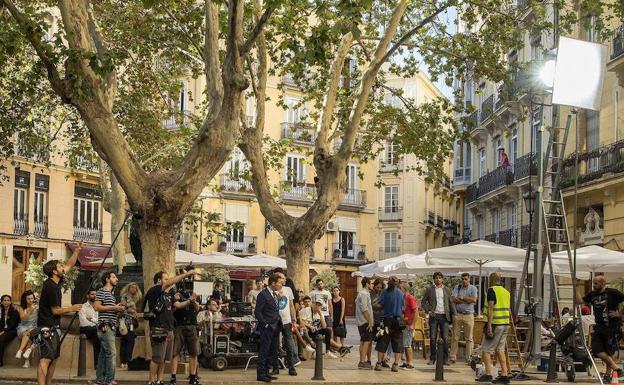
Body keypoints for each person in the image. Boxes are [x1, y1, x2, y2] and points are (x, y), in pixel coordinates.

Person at [37, 245, 82, 385]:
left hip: (53, 327)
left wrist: (77, 251)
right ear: (54, 271)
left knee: (54, 358)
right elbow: (55, 311)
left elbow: (69, 265)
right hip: (46, 328)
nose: (63, 268)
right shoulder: (50, 286)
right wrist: (72, 308)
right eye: (59, 266)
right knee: (45, 359)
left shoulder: (56, 282)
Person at [143, 269, 197, 385]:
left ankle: (160, 380)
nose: (168, 281)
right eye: (165, 279)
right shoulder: (154, 290)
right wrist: (186, 274)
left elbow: (176, 306)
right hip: (158, 328)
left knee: (163, 358)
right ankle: (151, 381)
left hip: (169, 329)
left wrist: (189, 301)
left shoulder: (166, 295)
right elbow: (169, 283)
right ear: (158, 281)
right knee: (157, 357)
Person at [578, 274, 624, 383]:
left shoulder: (612, 292)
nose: (593, 285)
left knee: (609, 352)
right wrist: (575, 286)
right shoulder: (593, 294)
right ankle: (616, 367)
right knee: (596, 349)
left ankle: (609, 374)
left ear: (603, 283)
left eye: (596, 283)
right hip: (599, 326)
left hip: (612, 327)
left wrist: (619, 314)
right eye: (593, 283)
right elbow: (579, 301)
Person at [478, 272, 512, 384]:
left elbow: (491, 307)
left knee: (486, 350)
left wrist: (489, 326)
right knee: (500, 349)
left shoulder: (491, 290)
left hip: (495, 324)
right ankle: (505, 375)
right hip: (505, 324)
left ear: (490, 280)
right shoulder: (506, 292)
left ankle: (488, 374)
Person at [93, 272, 126, 385]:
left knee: (104, 354)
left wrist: (117, 308)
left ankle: (100, 379)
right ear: (107, 279)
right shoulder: (102, 291)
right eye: (114, 277)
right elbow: (96, 306)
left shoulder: (111, 294)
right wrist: (114, 307)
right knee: (111, 353)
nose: (116, 279)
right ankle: (110, 379)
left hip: (110, 326)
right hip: (105, 326)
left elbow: (108, 309)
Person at [421, 271, 455, 366]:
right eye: (436, 278)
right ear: (434, 279)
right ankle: (432, 358)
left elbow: (451, 302)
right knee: (432, 337)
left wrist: (454, 314)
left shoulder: (447, 290)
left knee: (445, 337)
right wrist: (428, 310)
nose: (438, 279)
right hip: (434, 316)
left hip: (444, 316)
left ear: (442, 279)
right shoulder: (429, 289)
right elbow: (423, 302)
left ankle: (445, 359)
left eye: (440, 277)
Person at [254, 273, 283, 383]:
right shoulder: (263, 294)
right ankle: (261, 374)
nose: (281, 284)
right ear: (273, 283)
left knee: (271, 351)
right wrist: (265, 324)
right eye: (279, 283)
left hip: (275, 327)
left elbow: (274, 309)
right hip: (267, 327)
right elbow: (258, 312)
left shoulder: (274, 294)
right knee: (264, 351)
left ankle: (266, 372)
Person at [373, 276, 404, 372]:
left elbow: (380, 306)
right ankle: (395, 365)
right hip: (398, 321)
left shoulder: (385, 292)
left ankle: (378, 364)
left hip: (387, 321)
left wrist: (373, 306)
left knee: (382, 341)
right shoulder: (400, 293)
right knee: (397, 343)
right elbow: (403, 307)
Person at [170, 290, 202, 385]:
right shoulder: (176, 296)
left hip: (192, 326)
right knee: (175, 353)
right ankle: (173, 377)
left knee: (194, 353)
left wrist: (193, 300)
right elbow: (174, 308)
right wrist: (178, 299)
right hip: (179, 326)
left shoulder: (193, 297)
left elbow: (197, 309)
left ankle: (192, 377)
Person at [272, 272, 299, 376]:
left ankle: (291, 367)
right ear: (278, 280)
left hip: (287, 321)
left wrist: (294, 319)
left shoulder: (288, 290)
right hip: (275, 321)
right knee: (275, 344)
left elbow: (291, 305)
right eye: (282, 278)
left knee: (288, 344)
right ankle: (275, 367)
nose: (284, 280)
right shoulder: (272, 290)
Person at [450, 272, 478, 364]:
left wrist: (461, 298)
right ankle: (453, 357)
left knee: (469, 338)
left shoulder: (473, 288)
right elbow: (453, 299)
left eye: (466, 279)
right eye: (463, 279)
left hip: (469, 315)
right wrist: (467, 299)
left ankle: (469, 357)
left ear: (469, 279)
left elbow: (473, 300)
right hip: (458, 314)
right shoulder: (457, 287)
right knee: (455, 337)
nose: (464, 281)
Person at [119, 282, 142, 369]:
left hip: (131, 322)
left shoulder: (133, 298)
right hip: (126, 321)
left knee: (127, 340)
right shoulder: (125, 296)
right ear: (128, 288)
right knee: (128, 340)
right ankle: (126, 360)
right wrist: (131, 310)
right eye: (132, 287)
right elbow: (122, 307)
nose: (133, 289)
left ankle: (125, 361)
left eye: (135, 288)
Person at [309, 279, 333, 355]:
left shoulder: (327, 293)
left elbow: (330, 305)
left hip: (325, 314)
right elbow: (310, 302)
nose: (320, 285)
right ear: (316, 285)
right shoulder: (313, 293)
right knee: (317, 330)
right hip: (315, 315)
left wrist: (331, 315)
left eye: (321, 283)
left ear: (324, 284)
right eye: (319, 284)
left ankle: (328, 349)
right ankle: (318, 348)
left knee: (329, 330)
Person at [78, 289, 100, 369]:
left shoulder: (98, 307)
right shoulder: (83, 307)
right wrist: (94, 322)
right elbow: (83, 322)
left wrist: (91, 319)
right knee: (96, 331)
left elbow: (99, 321)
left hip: (95, 330)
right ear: (88, 296)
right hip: (84, 329)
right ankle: (97, 363)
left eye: (95, 294)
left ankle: (98, 363)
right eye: (92, 294)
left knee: (98, 334)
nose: (94, 296)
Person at [16, 290, 38, 368]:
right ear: (25, 300)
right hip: (23, 327)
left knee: (29, 336)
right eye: (28, 299)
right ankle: (24, 353)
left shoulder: (37, 306)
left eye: (32, 298)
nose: (31, 300)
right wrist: (31, 309)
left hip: (34, 326)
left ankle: (21, 352)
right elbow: (23, 319)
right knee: (27, 334)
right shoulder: (21, 308)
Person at [355, 277, 374, 369]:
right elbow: (364, 309)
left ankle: (361, 361)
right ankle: (362, 362)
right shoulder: (363, 294)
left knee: (363, 341)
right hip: (364, 321)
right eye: (371, 283)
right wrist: (370, 321)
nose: (372, 285)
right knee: (366, 341)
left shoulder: (363, 293)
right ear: (367, 284)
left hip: (362, 321)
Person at [400, 282, 417, 370]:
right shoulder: (404, 298)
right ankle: (407, 362)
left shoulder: (410, 298)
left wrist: (413, 324)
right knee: (405, 344)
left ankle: (410, 363)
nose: (400, 289)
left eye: (401, 288)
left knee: (408, 344)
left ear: (404, 289)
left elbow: (416, 311)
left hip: (409, 324)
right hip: (404, 323)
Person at [0, 294, 19, 367]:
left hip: (12, 330)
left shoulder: (14, 311)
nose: (6, 302)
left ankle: (0, 361)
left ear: (10, 302)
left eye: (8, 300)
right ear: (1, 302)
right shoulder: (1, 311)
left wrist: (3, 331)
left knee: (1, 339)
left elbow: (13, 325)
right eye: (4, 300)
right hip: (2, 331)